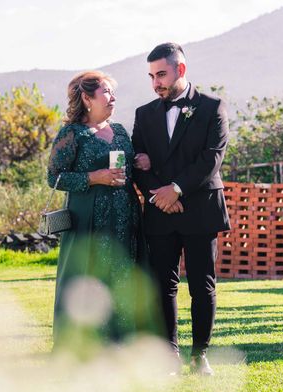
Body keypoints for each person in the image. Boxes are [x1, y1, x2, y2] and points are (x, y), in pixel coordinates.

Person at [131, 42, 230, 374]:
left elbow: (211, 159)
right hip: (160, 212)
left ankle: (199, 354)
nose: (155, 82)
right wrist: (160, 196)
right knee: (162, 284)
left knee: (202, 284)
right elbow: (139, 164)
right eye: (151, 76)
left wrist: (175, 190)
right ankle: (168, 355)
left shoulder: (212, 108)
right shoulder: (143, 114)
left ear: (181, 70)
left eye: (161, 74)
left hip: (200, 208)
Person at [48, 71, 148, 344]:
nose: (112, 97)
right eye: (106, 91)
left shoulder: (119, 131)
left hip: (124, 219)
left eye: (113, 92)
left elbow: (129, 170)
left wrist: (141, 162)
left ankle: (123, 341)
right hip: (87, 222)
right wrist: (93, 178)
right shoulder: (71, 134)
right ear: (86, 98)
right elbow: (54, 178)